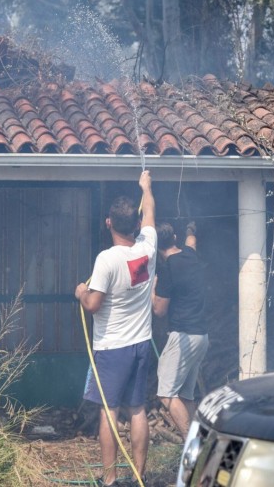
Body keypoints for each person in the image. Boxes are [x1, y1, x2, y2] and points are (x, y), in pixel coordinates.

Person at [75, 170, 156, 487]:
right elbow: (149, 209)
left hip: (112, 348)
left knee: (109, 412)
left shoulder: (106, 259)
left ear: (109, 223)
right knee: (138, 409)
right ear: (136, 224)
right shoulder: (147, 247)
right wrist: (146, 187)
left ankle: (109, 480)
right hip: (141, 344)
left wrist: (80, 291)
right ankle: (140, 474)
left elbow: (93, 305)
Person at [152, 220, 209, 437]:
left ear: (156, 248)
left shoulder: (167, 269)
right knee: (186, 397)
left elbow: (159, 310)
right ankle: (201, 443)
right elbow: (192, 241)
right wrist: (191, 228)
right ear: (174, 238)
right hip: (201, 337)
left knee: (166, 394)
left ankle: (192, 445)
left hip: (183, 337)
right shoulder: (190, 255)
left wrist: (152, 291)